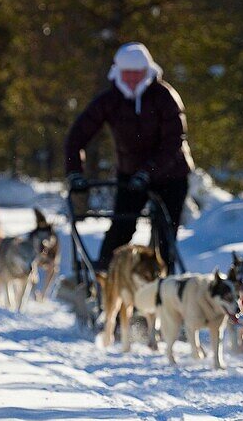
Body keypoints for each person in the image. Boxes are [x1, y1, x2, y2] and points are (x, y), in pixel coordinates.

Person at [64, 42, 194, 272]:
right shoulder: (110, 101)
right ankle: (104, 276)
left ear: (148, 71)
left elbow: (174, 141)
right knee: (121, 228)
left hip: (171, 175)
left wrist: (149, 172)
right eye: (127, 74)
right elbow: (77, 136)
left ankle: (164, 285)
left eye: (138, 73)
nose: (132, 79)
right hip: (130, 174)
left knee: (165, 236)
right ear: (118, 73)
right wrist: (75, 171)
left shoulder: (164, 97)